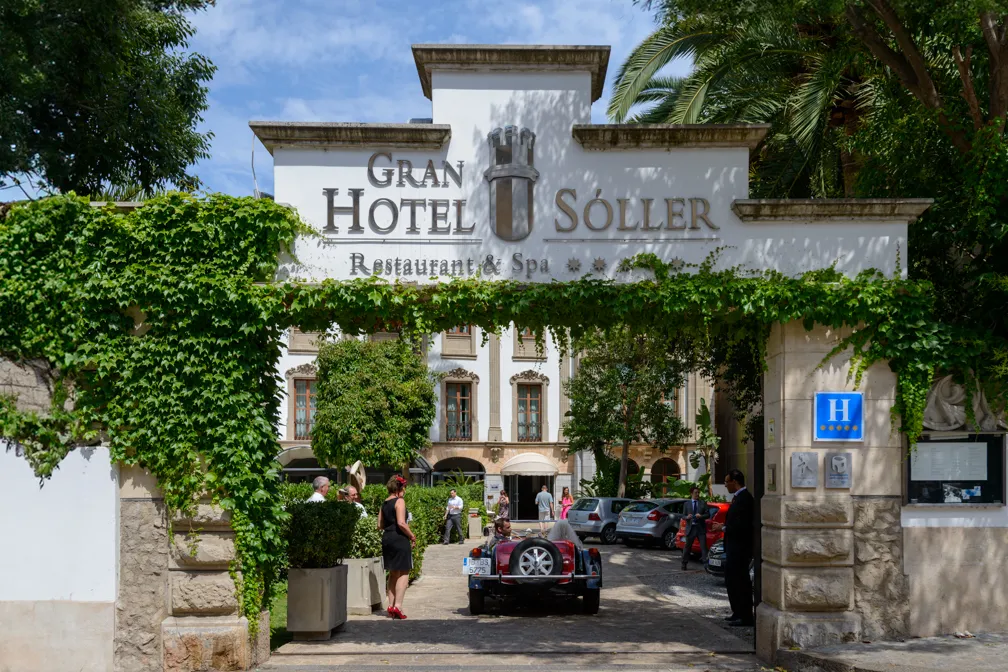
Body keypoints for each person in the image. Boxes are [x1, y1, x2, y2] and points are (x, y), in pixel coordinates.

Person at [712, 469, 754, 626]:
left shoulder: (745, 499)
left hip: (740, 548)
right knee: (732, 580)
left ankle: (745, 615)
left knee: (740, 581)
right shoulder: (738, 498)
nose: (725, 485)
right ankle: (737, 612)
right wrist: (724, 526)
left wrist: (723, 528)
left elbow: (742, 525)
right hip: (733, 547)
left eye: (726, 482)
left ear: (734, 482)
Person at [378, 475, 416, 620]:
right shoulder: (399, 501)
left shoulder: (384, 503)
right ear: (399, 488)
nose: (405, 490)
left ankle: (390, 605)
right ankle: (398, 606)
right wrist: (412, 535)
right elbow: (401, 522)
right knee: (404, 571)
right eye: (404, 487)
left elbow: (379, 525)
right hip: (399, 538)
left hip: (387, 538)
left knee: (393, 573)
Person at [680, 486, 710, 570]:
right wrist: (687, 517)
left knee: (703, 547)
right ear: (691, 493)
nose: (697, 494)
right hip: (691, 528)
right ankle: (684, 563)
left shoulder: (703, 503)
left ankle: (706, 565)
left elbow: (708, 514)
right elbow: (683, 516)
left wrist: (701, 516)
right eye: (696, 492)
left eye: (698, 492)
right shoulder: (687, 504)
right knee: (687, 547)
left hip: (700, 528)